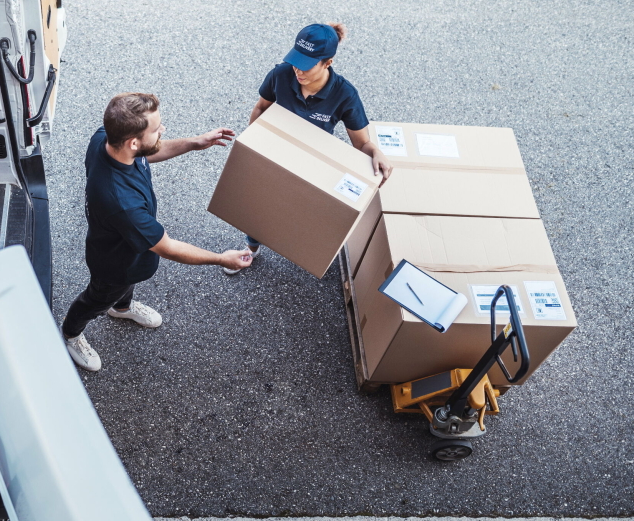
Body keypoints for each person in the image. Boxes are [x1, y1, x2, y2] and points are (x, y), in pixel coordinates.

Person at [62, 93, 252, 371]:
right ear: (133, 141)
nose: (163, 130)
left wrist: (194, 142)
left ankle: (122, 308)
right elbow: (168, 247)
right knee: (98, 297)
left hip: (132, 250)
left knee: (125, 286)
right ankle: (70, 334)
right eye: (156, 129)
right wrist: (223, 259)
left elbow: (149, 153)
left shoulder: (106, 139)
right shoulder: (123, 204)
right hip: (114, 263)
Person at [224, 22, 394, 275]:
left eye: (307, 64)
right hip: (275, 152)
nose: (298, 70)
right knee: (260, 203)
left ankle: (300, 249)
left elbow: (361, 143)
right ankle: (252, 246)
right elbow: (261, 107)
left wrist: (376, 153)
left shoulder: (345, 95)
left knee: (301, 208)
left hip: (314, 161)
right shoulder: (281, 75)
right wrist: (253, 143)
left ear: (328, 63)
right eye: (296, 60)